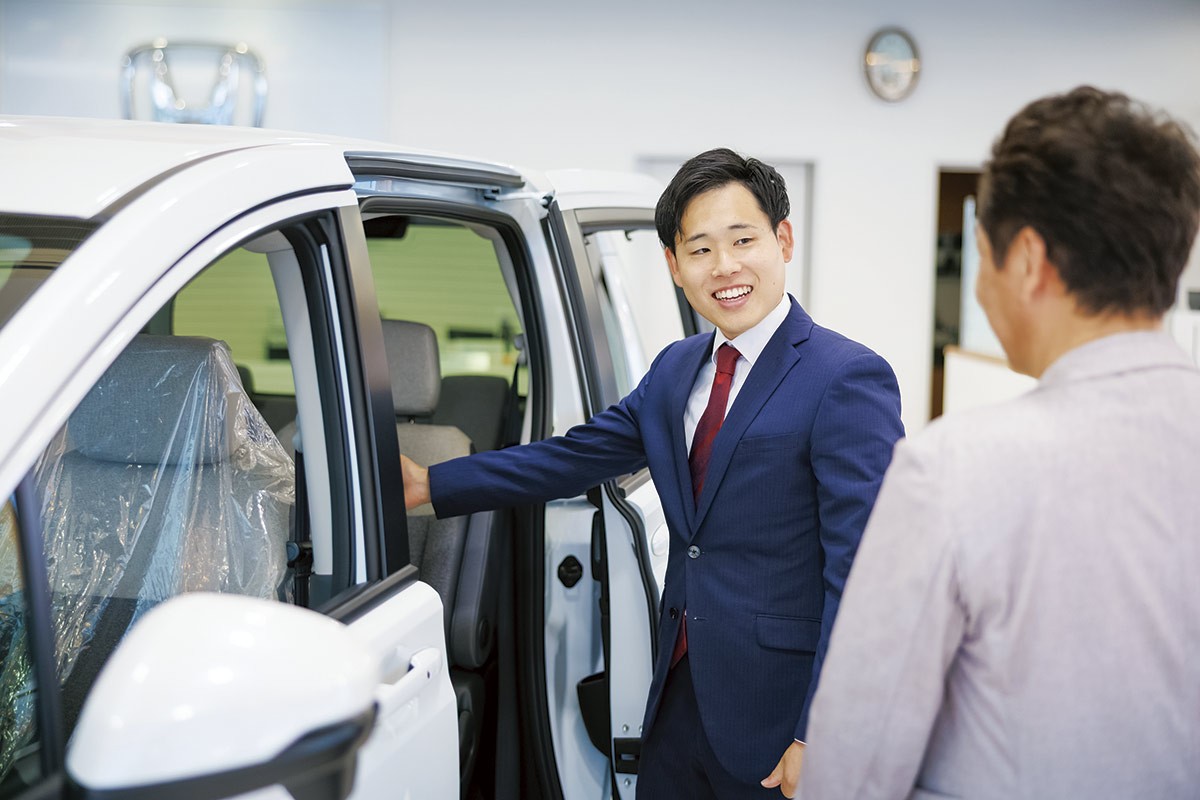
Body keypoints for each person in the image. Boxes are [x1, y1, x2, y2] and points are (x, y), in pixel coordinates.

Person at [402, 148, 903, 798]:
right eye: (700, 249)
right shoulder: (676, 369)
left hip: (781, 717)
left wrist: (824, 730)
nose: (724, 267)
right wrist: (431, 484)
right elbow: (573, 456)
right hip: (678, 696)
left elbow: (867, 575)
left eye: (742, 240)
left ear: (782, 240)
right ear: (673, 264)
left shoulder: (845, 377)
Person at [799, 86, 1200, 800]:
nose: (981, 287)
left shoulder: (954, 471)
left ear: (1028, 260)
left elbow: (854, 766)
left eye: (981, 254)